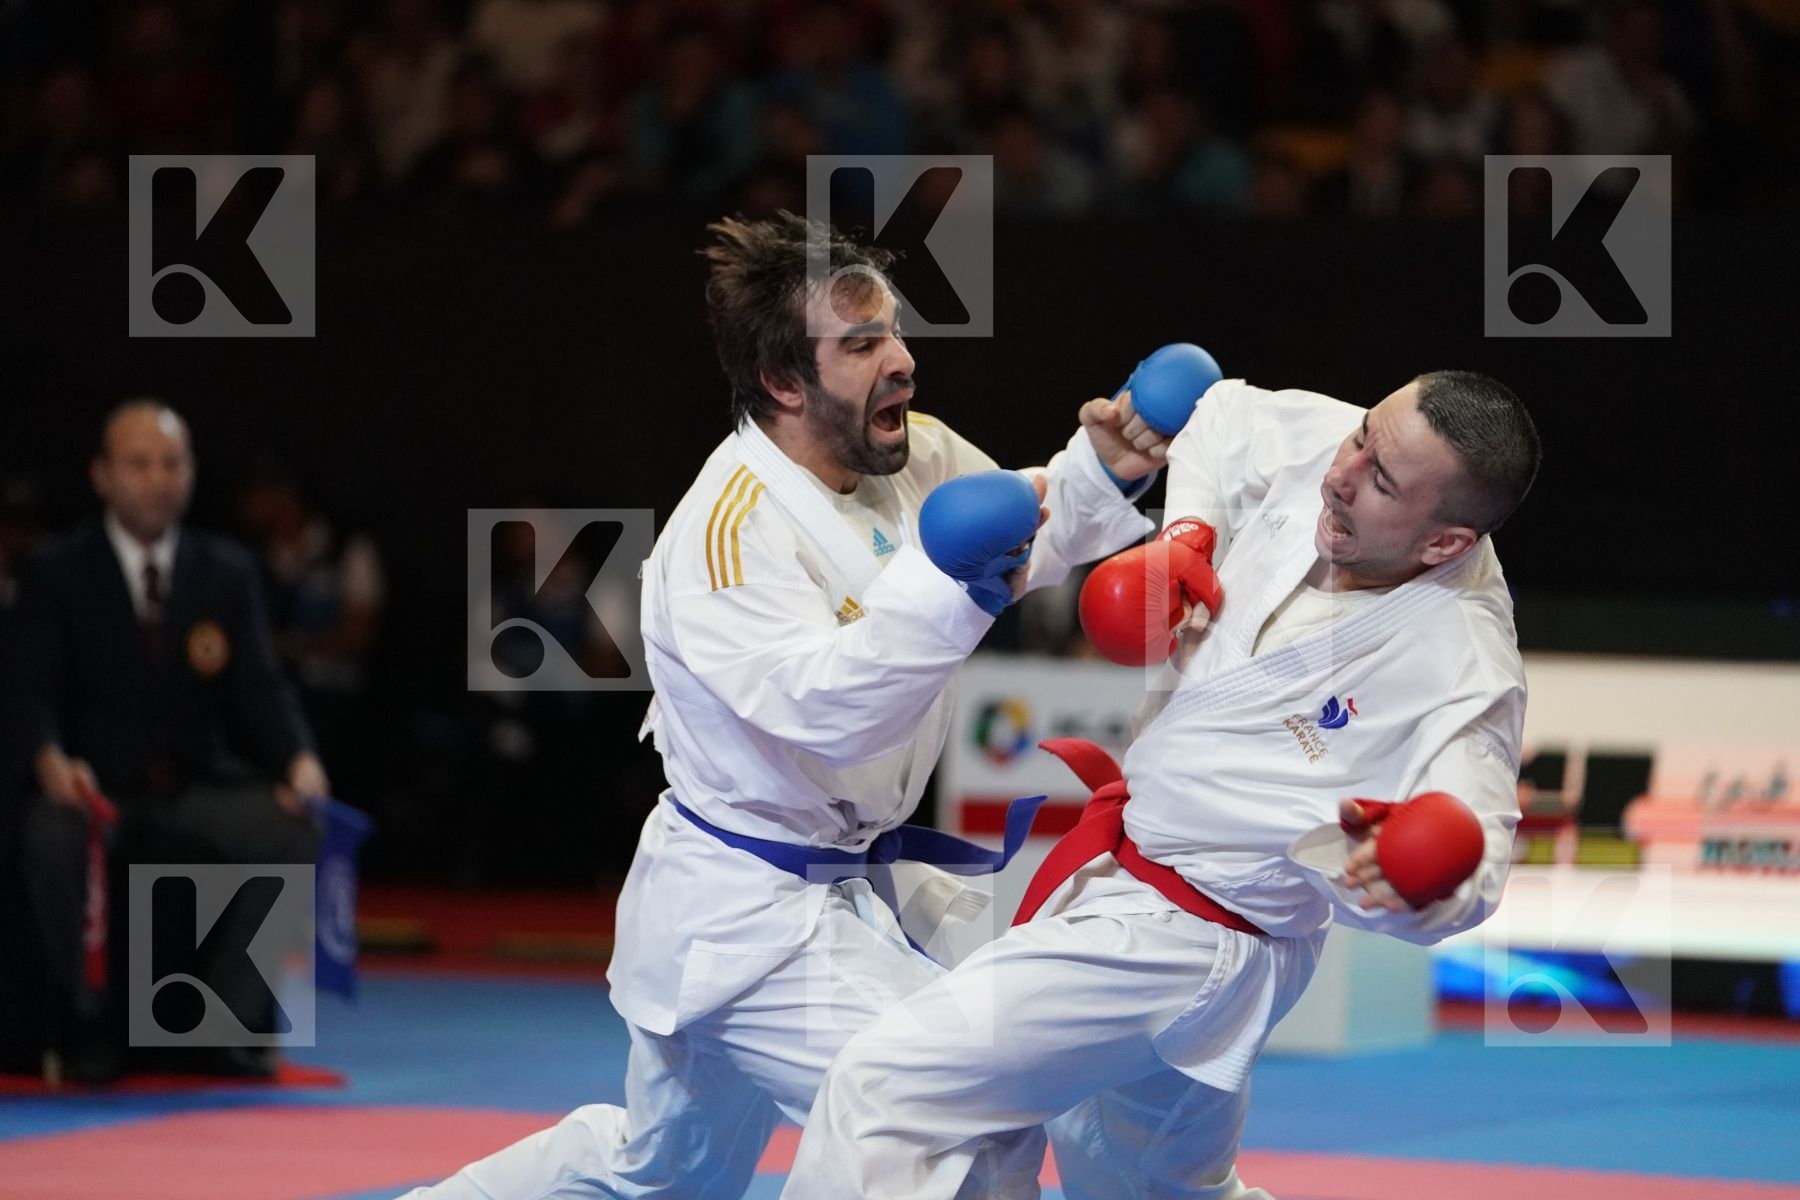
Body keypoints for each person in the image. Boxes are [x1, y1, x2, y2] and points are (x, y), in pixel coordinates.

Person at [401, 211, 1169, 1197]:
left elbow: (1023, 527)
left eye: (893, 332)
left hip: (837, 880)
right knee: (956, 1116)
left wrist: (1103, 470)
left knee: (656, 1176)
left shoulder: (917, 454)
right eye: (861, 345)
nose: (901, 361)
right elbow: (833, 708)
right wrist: (956, 583)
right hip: (747, 915)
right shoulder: (724, 539)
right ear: (783, 381)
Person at [782, 369, 1541, 1199]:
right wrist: (1187, 534)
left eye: (1381, 481)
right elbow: (1221, 413)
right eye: (1362, 435)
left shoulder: (1465, 667)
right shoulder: (1335, 450)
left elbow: (1476, 862)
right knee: (1151, 1187)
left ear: (1444, 545)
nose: (1341, 472)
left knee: (885, 1087)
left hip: (1192, 940)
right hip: (1134, 886)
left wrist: (1402, 873)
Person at [4, 400, 326, 1082]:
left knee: (292, 828)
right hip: (91, 788)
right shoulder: (55, 569)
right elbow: (28, 688)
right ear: (102, 476)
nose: (157, 479)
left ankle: (224, 1022)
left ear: (191, 474)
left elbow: (263, 689)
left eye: (171, 464)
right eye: (139, 464)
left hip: (189, 785)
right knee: (52, 832)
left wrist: (299, 761)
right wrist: (48, 759)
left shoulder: (227, 572)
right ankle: (86, 1020)